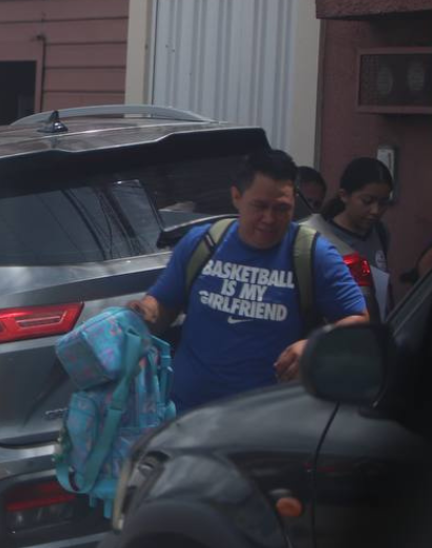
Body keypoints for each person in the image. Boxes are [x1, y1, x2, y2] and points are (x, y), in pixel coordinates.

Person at [127, 149, 368, 413]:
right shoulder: (202, 243)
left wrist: (315, 347)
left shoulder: (313, 255)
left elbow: (357, 322)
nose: (269, 218)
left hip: (266, 426)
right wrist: (143, 313)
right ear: (236, 197)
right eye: (260, 206)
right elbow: (163, 304)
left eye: (281, 209)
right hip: (186, 418)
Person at [306, 157, 394, 319]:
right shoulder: (321, 238)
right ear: (344, 196)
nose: (376, 210)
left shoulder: (380, 232)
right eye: (367, 201)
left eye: (383, 203)